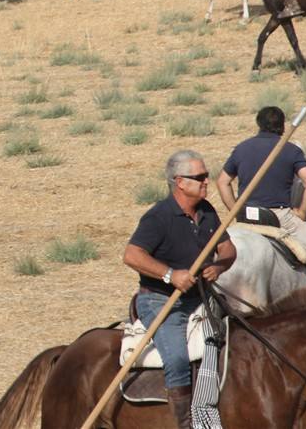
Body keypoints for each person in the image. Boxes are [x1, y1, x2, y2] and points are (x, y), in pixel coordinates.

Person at [124, 150, 236, 428]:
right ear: (179, 182)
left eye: (206, 176)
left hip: (200, 296)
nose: (206, 181)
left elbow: (228, 249)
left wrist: (219, 267)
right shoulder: (158, 217)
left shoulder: (207, 211)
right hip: (161, 301)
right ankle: (185, 422)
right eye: (199, 177)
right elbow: (132, 255)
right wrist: (170, 275)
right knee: (176, 358)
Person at [216, 106, 306, 284]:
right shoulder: (290, 150)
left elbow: (222, 182)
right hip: (278, 217)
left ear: (258, 124)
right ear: (282, 126)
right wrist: (301, 212)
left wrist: (235, 210)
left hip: (246, 216)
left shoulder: (241, 148)